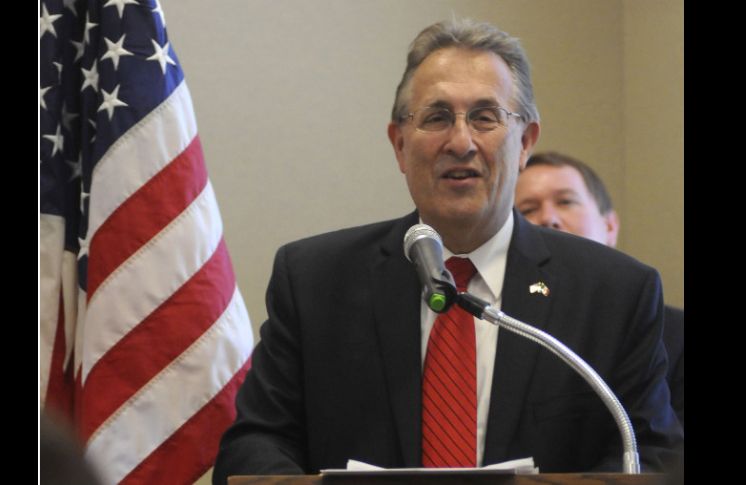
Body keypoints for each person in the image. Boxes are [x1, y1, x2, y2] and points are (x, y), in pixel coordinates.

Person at [213, 18, 682, 482]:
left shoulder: (615, 292)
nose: (461, 142)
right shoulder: (314, 280)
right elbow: (255, 445)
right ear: (399, 144)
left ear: (525, 143)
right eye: (437, 118)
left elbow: (652, 453)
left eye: (485, 117)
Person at [514, 151, 684, 427]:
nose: (548, 218)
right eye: (528, 210)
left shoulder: (677, 335)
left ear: (610, 226)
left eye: (565, 202)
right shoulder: (507, 326)